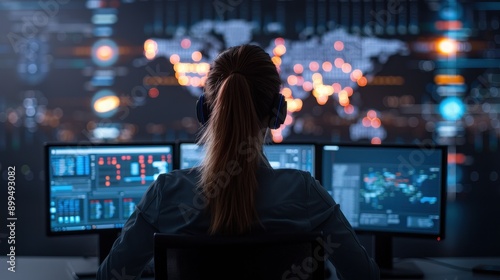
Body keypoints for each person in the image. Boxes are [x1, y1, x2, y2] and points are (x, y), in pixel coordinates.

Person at [97, 44, 380, 279]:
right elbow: (365, 276)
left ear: (205, 111)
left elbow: (109, 277)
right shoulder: (304, 193)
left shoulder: (167, 193)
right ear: (278, 113)